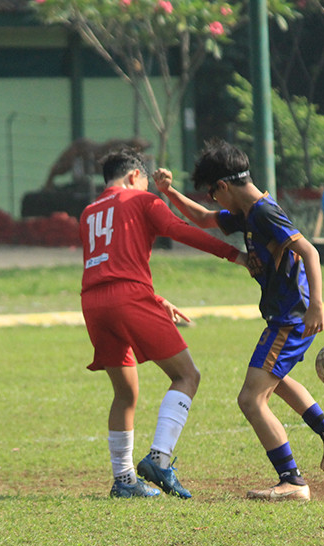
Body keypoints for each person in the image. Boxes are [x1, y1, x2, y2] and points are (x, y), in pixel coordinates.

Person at [154, 139, 324, 502]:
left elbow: (308, 250)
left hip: (290, 318)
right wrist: (169, 192)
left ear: (224, 186)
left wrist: (318, 306)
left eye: (213, 193)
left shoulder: (264, 212)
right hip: (285, 316)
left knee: (250, 398)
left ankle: (292, 481)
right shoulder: (247, 213)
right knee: (274, 383)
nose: (214, 201)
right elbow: (201, 218)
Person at [80, 148, 246, 499]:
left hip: (93, 303)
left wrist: (156, 299)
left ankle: (124, 480)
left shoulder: (89, 212)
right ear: (133, 177)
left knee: (125, 392)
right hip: (129, 299)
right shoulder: (142, 201)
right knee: (187, 375)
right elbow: (180, 230)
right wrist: (236, 255)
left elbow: (110, 266)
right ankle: (159, 459)